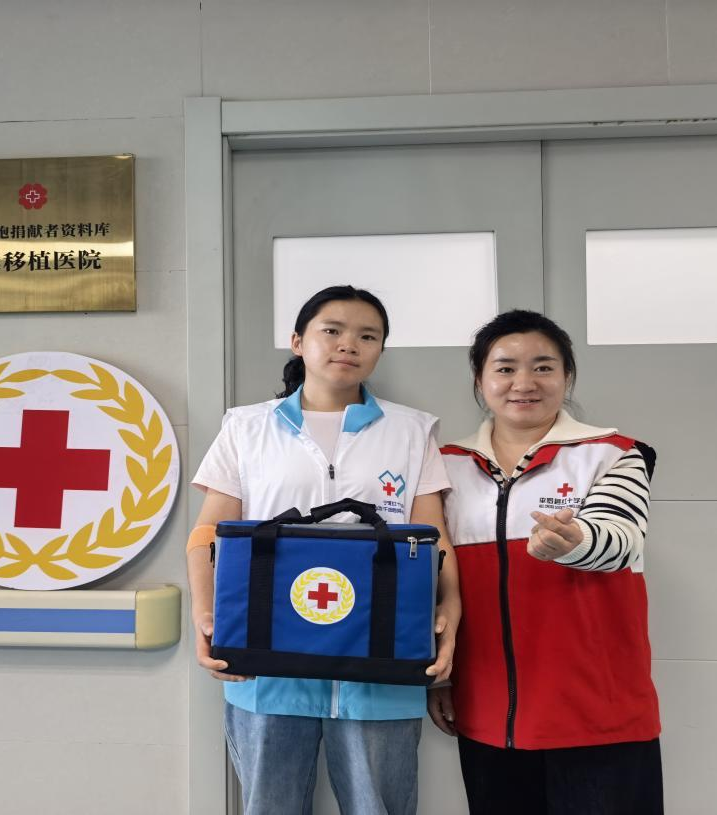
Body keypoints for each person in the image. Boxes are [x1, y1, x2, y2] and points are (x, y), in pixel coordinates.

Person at [187, 285, 461, 815]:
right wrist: (205, 618)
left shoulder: (411, 430)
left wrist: (451, 618)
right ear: (298, 341)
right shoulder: (246, 427)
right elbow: (207, 534)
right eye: (331, 330)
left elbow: (436, 543)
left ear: (380, 350)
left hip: (382, 663)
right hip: (265, 667)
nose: (348, 344)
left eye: (367, 336)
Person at [429, 309, 662, 814]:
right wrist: (443, 677)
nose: (524, 383)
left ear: (567, 376)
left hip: (599, 715)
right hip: (488, 715)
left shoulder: (615, 453)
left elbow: (621, 540)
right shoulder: (443, 466)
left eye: (543, 367)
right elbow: (432, 581)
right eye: (505, 368)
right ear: (479, 380)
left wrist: (573, 543)